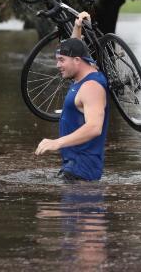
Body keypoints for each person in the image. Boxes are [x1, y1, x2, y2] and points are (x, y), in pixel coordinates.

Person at [35, 12, 109, 182]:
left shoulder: (91, 87)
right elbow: (76, 49)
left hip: (81, 174)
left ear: (77, 60)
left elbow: (94, 127)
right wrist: (77, 27)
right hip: (74, 168)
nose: (58, 65)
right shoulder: (83, 73)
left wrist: (57, 143)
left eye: (61, 60)